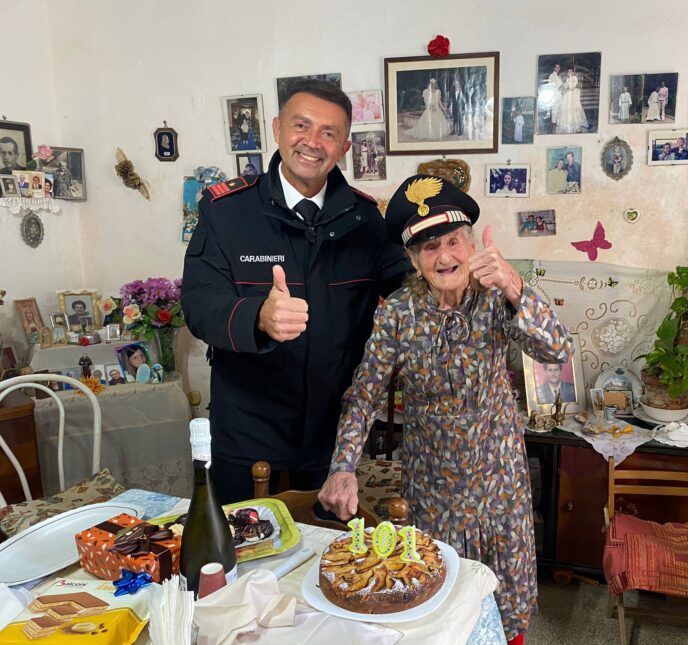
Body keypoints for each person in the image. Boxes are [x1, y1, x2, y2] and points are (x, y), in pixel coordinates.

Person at [318, 175, 572, 645]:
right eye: (429, 247)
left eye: (453, 241)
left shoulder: (498, 296)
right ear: (413, 259)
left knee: (508, 604)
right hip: (432, 496)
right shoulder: (396, 314)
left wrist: (516, 285)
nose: (445, 257)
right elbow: (364, 396)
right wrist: (343, 466)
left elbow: (557, 350)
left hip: (500, 492)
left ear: (471, 244)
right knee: (439, 612)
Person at [181, 79, 411, 504]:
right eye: (301, 125)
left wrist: (459, 275)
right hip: (247, 430)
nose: (312, 142)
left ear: (344, 146)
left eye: (329, 132)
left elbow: (408, 291)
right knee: (240, 559)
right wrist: (258, 317)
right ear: (276, 127)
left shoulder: (367, 220)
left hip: (331, 434)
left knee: (327, 560)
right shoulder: (227, 213)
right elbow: (198, 304)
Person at [556, 69, 589, 133]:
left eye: (571, 71)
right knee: (566, 107)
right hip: (568, 94)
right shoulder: (567, 79)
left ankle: (575, 125)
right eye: (568, 71)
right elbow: (567, 86)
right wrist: (564, 88)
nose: (569, 72)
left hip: (573, 95)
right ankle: (568, 123)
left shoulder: (575, 78)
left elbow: (573, 86)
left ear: (573, 72)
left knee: (574, 108)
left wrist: (568, 88)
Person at [547, 63, 564, 131]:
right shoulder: (551, 75)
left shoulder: (559, 76)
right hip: (555, 96)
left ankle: (558, 123)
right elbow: (550, 86)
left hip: (560, 95)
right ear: (554, 68)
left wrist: (564, 90)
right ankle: (553, 124)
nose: (558, 68)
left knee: (559, 110)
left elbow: (561, 86)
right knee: (554, 110)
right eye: (556, 67)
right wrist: (558, 88)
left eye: (559, 67)